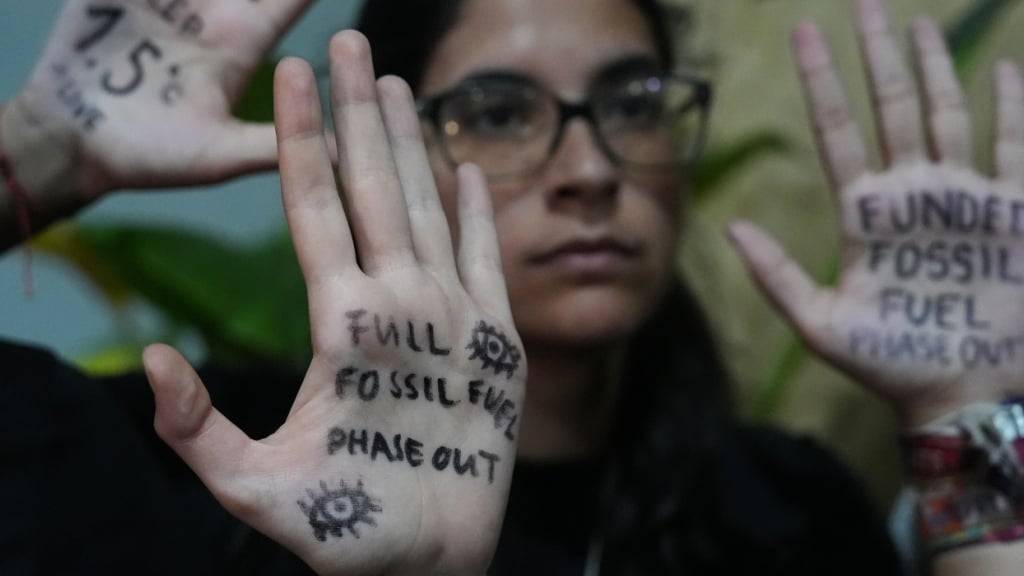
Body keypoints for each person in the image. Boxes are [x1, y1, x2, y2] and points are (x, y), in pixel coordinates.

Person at [0, 0, 1022, 575]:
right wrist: (37, 157)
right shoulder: (194, 459)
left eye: (634, 102)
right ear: (378, 162)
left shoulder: (784, 511)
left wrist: (963, 409)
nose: (589, 170)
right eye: (495, 111)